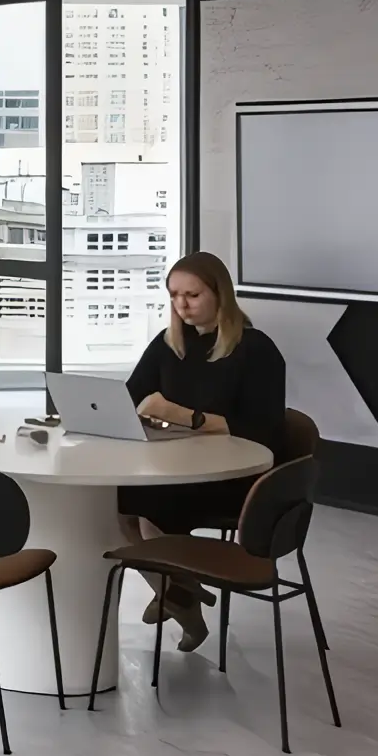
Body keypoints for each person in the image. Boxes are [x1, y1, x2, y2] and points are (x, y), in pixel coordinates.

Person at [117, 250, 286, 653]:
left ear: (219, 294)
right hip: (176, 467)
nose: (182, 305)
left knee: (140, 500)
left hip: (232, 478)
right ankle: (181, 591)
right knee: (114, 503)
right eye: (174, 295)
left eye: (192, 295)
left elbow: (262, 430)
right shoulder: (169, 344)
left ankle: (178, 594)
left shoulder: (256, 350)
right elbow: (130, 396)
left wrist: (181, 415)